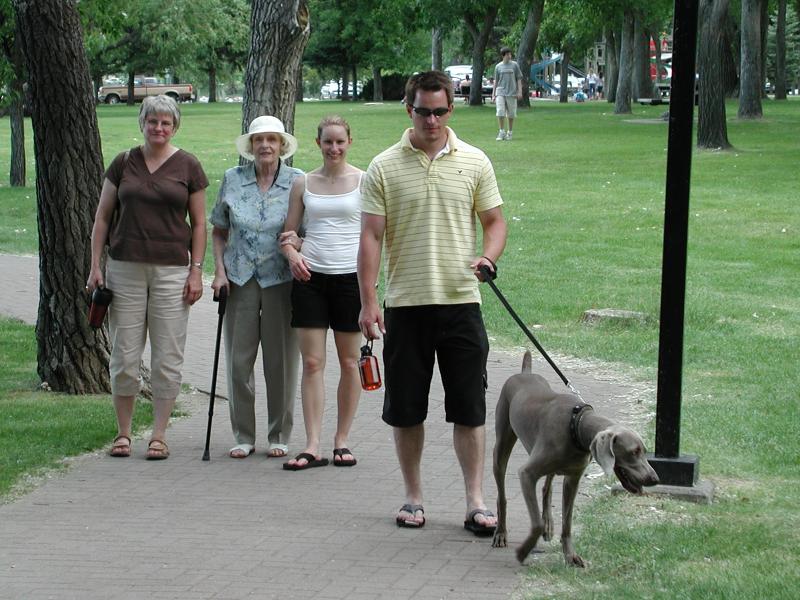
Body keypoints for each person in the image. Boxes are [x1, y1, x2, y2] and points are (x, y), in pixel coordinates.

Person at [358, 71, 507, 534]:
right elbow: (370, 237)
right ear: (409, 110)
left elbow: (495, 222)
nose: (432, 119)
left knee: (469, 407)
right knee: (406, 408)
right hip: (405, 304)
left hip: (462, 302)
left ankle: (476, 503)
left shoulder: (476, 161)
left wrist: (487, 256)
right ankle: (413, 498)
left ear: (451, 110)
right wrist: (368, 302)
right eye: (423, 111)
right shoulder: (383, 166)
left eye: (440, 111)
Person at [87, 95, 208, 460]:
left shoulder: (189, 166)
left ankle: (158, 434)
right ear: (142, 122)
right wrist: (96, 265)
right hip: (124, 268)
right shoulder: (124, 162)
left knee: (167, 356)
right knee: (124, 354)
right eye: (153, 121)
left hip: (172, 271)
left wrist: (196, 271)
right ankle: (123, 434)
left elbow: (200, 223)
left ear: (175, 126)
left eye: (166, 123)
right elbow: (103, 218)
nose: (159, 128)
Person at [210, 116, 302, 459]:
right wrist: (219, 271)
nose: (265, 145)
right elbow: (219, 229)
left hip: (281, 280)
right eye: (259, 139)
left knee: (281, 361)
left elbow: (306, 231)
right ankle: (243, 435)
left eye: (272, 140)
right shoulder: (233, 179)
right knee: (238, 361)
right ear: (250, 146)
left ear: (282, 146)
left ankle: (279, 433)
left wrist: (299, 246)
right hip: (240, 279)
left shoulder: (297, 182)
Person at [281, 116, 363, 471]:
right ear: (318, 143)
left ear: (349, 142)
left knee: (350, 362)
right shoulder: (304, 182)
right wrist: (292, 254)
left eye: (340, 142)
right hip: (310, 277)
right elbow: (289, 234)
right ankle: (312, 443)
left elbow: (376, 234)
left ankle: (341, 440)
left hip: (351, 279)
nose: (334, 149)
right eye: (328, 142)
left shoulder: (364, 180)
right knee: (313, 363)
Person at [491, 47, 523, 141]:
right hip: (500, 92)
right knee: (500, 112)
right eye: (508, 54)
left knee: (511, 114)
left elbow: (519, 79)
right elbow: (495, 81)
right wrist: (493, 94)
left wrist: (519, 91)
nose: (510, 56)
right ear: (503, 56)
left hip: (512, 93)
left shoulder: (515, 65)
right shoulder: (498, 67)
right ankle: (501, 132)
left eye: (510, 54)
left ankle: (510, 132)